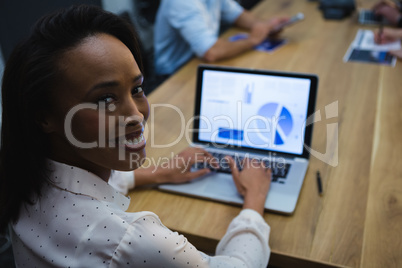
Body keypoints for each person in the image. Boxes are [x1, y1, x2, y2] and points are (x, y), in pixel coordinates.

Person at [0, 5, 273, 267]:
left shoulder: (24, 178)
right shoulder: (135, 241)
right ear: (44, 116)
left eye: (137, 89)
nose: (136, 115)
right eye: (105, 98)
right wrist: (254, 201)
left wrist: (157, 174)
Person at [153, 0, 289, 77]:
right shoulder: (180, 3)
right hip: (174, 75)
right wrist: (252, 40)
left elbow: (237, 14)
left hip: (199, 61)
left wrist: (264, 26)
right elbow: (211, 52)